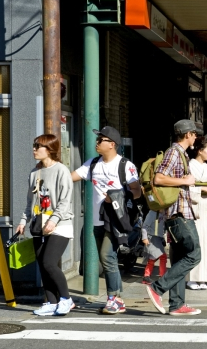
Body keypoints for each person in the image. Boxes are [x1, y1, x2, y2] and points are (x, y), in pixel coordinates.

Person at [72, 126, 141, 314]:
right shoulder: (93, 164)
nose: (96, 143)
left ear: (112, 144)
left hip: (115, 219)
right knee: (108, 259)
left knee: (107, 257)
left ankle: (113, 298)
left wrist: (118, 195)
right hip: (96, 219)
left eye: (100, 140)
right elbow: (72, 177)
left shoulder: (125, 165)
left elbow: (137, 191)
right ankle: (117, 299)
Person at [145, 119, 202, 316]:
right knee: (194, 254)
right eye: (194, 134)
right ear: (187, 134)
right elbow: (158, 178)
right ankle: (157, 288)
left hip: (176, 214)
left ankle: (177, 304)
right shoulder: (174, 152)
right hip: (179, 214)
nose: (196, 137)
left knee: (179, 258)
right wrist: (184, 180)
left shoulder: (181, 154)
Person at [17, 134, 75, 316]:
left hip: (61, 224)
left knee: (49, 262)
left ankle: (66, 299)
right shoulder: (35, 172)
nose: (34, 149)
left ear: (49, 149)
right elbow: (30, 202)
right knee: (42, 264)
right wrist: (23, 221)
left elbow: (66, 201)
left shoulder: (61, 170)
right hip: (39, 224)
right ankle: (51, 301)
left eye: (38, 146)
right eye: (34, 146)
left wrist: (54, 220)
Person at [186, 138, 207, 290]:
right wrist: (202, 189)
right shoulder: (190, 165)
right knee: (195, 241)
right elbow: (187, 185)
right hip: (195, 206)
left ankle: (203, 277)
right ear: (200, 150)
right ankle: (192, 277)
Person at [141, 210, 167, 285]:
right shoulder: (152, 213)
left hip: (158, 238)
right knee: (162, 256)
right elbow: (145, 226)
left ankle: (146, 276)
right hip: (152, 237)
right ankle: (162, 276)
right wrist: (144, 238)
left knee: (152, 258)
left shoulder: (163, 213)